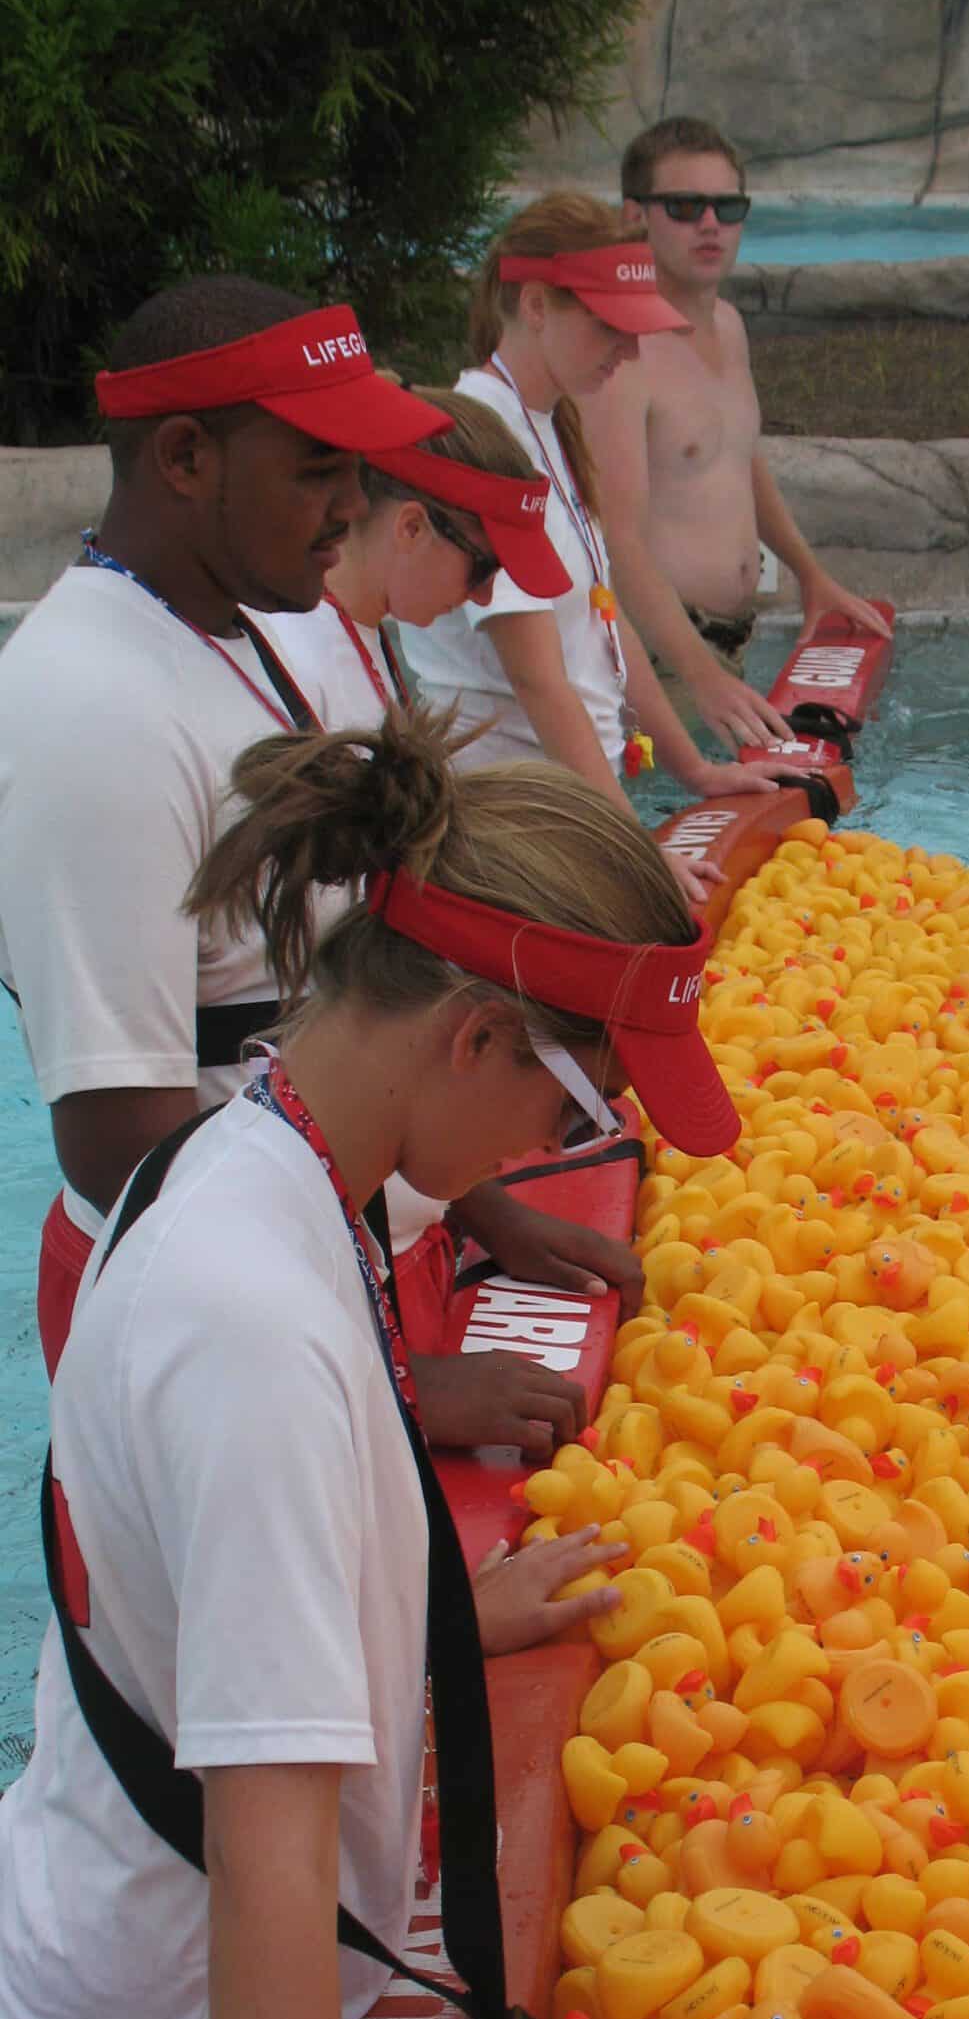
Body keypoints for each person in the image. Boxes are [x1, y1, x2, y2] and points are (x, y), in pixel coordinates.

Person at [0, 704, 738, 2019]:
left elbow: (195, 1598)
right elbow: (269, 1854)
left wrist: (431, 1617)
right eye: (580, 1110)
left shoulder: (257, 1165)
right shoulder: (256, 1326)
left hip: (130, 2007)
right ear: (475, 1033)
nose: (573, 1148)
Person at [0, 280, 619, 1456]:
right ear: (186, 457)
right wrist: (396, 1386)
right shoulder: (92, 711)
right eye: (319, 470)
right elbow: (122, 1139)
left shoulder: (228, 632)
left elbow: (330, 990)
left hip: (300, 1281)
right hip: (201, 1339)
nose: (352, 504)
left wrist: (472, 1200)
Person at [250, 390, 651, 1361]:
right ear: (411, 525)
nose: (482, 600)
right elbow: (314, 1014)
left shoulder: (365, 647)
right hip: (314, 1243)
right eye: (481, 568)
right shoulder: (296, 671)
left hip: (377, 1215)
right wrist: (405, 1381)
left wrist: (482, 1211)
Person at [399, 194, 778, 884]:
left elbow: (605, 620)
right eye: (609, 326)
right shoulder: (486, 441)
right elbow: (539, 680)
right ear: (536, 305)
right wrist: (634, 847)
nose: (629, 352)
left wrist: (694, 769)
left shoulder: (550, 423)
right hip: (513, 828)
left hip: (564, 810)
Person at [580, 116, 891, 741]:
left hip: (724, 651)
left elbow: (739, 458)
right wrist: (702, 679)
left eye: (727, 207)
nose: (710, 224)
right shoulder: (619, 355)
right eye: (684, 206)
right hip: (659, 661)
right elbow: (617, 542)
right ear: (634, 217)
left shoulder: (728, 325)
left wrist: (811, 575)